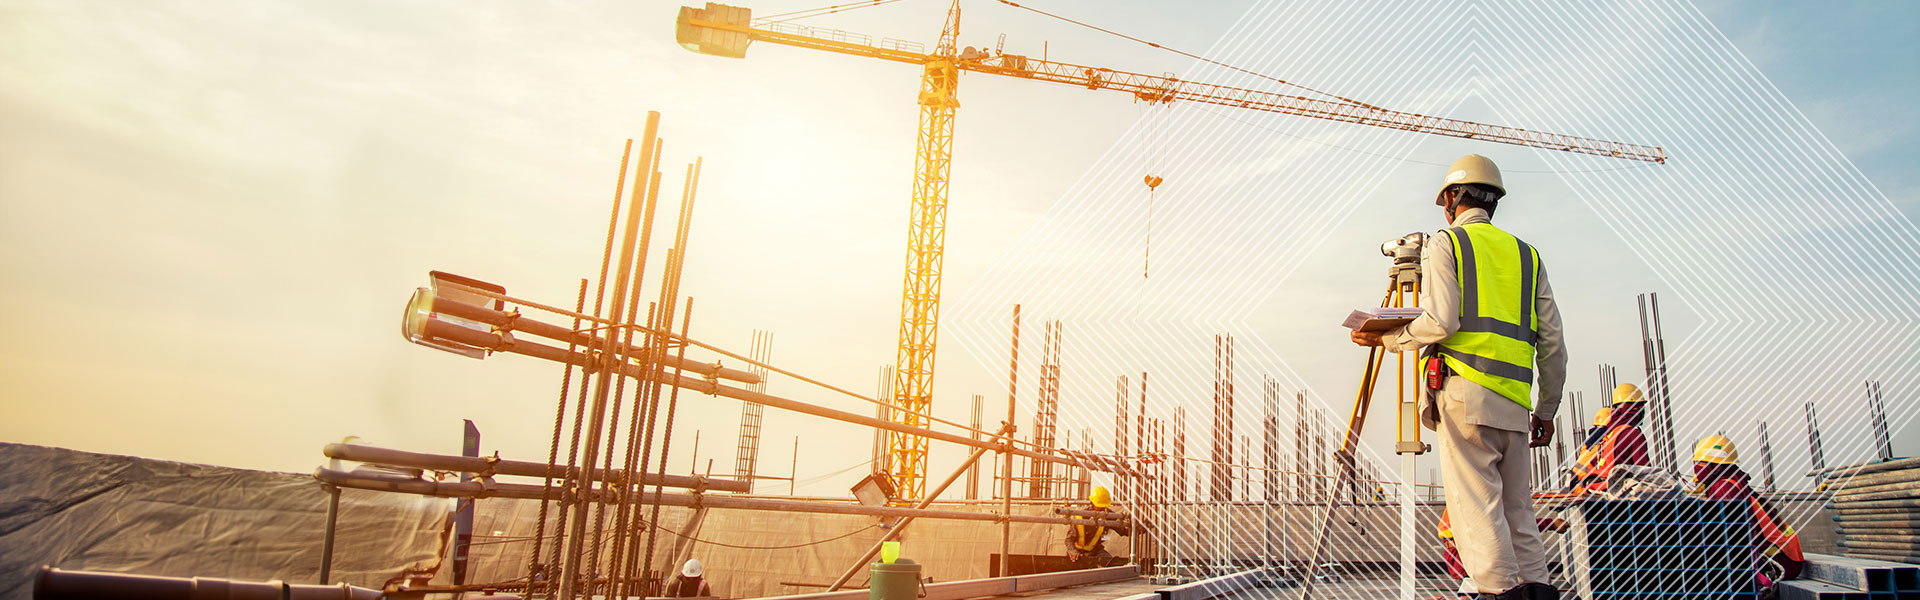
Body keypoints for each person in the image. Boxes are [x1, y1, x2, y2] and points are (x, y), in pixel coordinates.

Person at [1353, 154, 1566, 600]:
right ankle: (1538, 592)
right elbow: (1553, 345)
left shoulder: (1447, 243)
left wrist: (1389, 338)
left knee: (1477, 510)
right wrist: (1546, 410)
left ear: (1451, 198)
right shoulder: (1528, 256)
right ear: (1494, 201)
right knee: (1517, 512)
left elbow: (1441, 321)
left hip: (1466, 393)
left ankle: (1500, 592)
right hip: (1515, 403)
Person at [1693, 435, 1805, 595]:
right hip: (1785, 556)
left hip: (1781, 560)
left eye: (1700, 463)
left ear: (1715, 467)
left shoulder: (1724, 488)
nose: (1696, 467)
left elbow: (1732, 532)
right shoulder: (1732, 482)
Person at [1576, 385, 1651, 493]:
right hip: (1623, 495)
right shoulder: (1633, 434)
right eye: (1641, 407)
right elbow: (1645, 473)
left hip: (1601, 489)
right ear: (1636, 408)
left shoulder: (1609, 434)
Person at [1066, 486, 1130, 569]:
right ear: (1092, 503)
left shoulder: (1108, 515)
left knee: (1108, 563)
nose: (1101, 509)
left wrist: (1139, 529)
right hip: (1077, 552)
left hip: (1095, 550)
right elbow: (1069, 540)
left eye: (1103, 506)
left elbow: (1123, 531)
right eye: (1099, 506)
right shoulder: (1080, 517)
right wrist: (1073, 552)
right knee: (1074, 569)